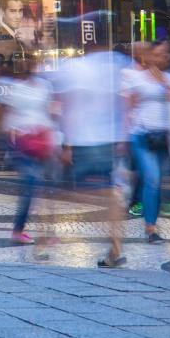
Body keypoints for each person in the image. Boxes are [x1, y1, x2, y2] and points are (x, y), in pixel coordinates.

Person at [55, 43, 129, 268]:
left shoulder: (76, 67)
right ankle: (114, 246)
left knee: (78, 192)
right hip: (109, 138)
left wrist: (66, 144)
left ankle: (114, 236)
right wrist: (123, 136)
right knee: (105, 191)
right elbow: (125, 101)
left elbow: (69, 106)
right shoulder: (116, 63)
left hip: (85, 139)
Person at [122, 40, 170, 244]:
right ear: (149, 56)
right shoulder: (136, 79)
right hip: (141, 136)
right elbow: (128, 108)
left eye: (165, 55)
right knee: (152, 178)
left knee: (157, 184)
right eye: (156, 54)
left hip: (164, 137)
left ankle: (151, 221)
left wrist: (166, 86)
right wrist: (123, 138)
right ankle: (151, 228)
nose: (161, 59)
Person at [0, 54, 59, 247]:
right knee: (31, 184)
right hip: (22, 143)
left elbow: (52, 111)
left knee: (49, 187)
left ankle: (48, 230)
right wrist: (4, 136)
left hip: (44, 140)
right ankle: (18, 230)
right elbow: (4, 115)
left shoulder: (44, 87)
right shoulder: (11, 87)